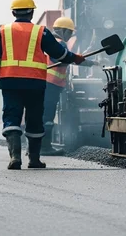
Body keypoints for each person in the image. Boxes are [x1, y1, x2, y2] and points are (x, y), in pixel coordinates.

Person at [0, 0, 85, 169]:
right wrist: (76, 58)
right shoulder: (41, 31)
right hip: (35, 82)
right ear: (32, 13)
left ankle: (15, 157)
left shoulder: (2, 31)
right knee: (35, 119)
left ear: (13, 12)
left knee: (12, 117)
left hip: (10, 82)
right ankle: (34, 159)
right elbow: (60, 54)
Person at [40, 16, 96, 156]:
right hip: (51, 84)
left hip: (42, 83)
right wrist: (88, 62)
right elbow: (64, 58)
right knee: (47, 118)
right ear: (63, 31)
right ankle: (45, 148)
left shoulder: (46, 42)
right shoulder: (59, 44)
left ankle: (36, 148)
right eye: (70, 33)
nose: (70, 36)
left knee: (41, 116)